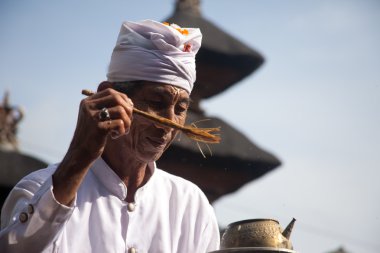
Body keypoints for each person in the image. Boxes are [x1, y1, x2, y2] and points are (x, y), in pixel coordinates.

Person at [0, 20, 220, 253]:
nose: (168, 125)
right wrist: (80, 155)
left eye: (180, 109)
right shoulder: (40, 188)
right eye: (156, 102)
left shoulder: (190, 205)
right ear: (108, 95)